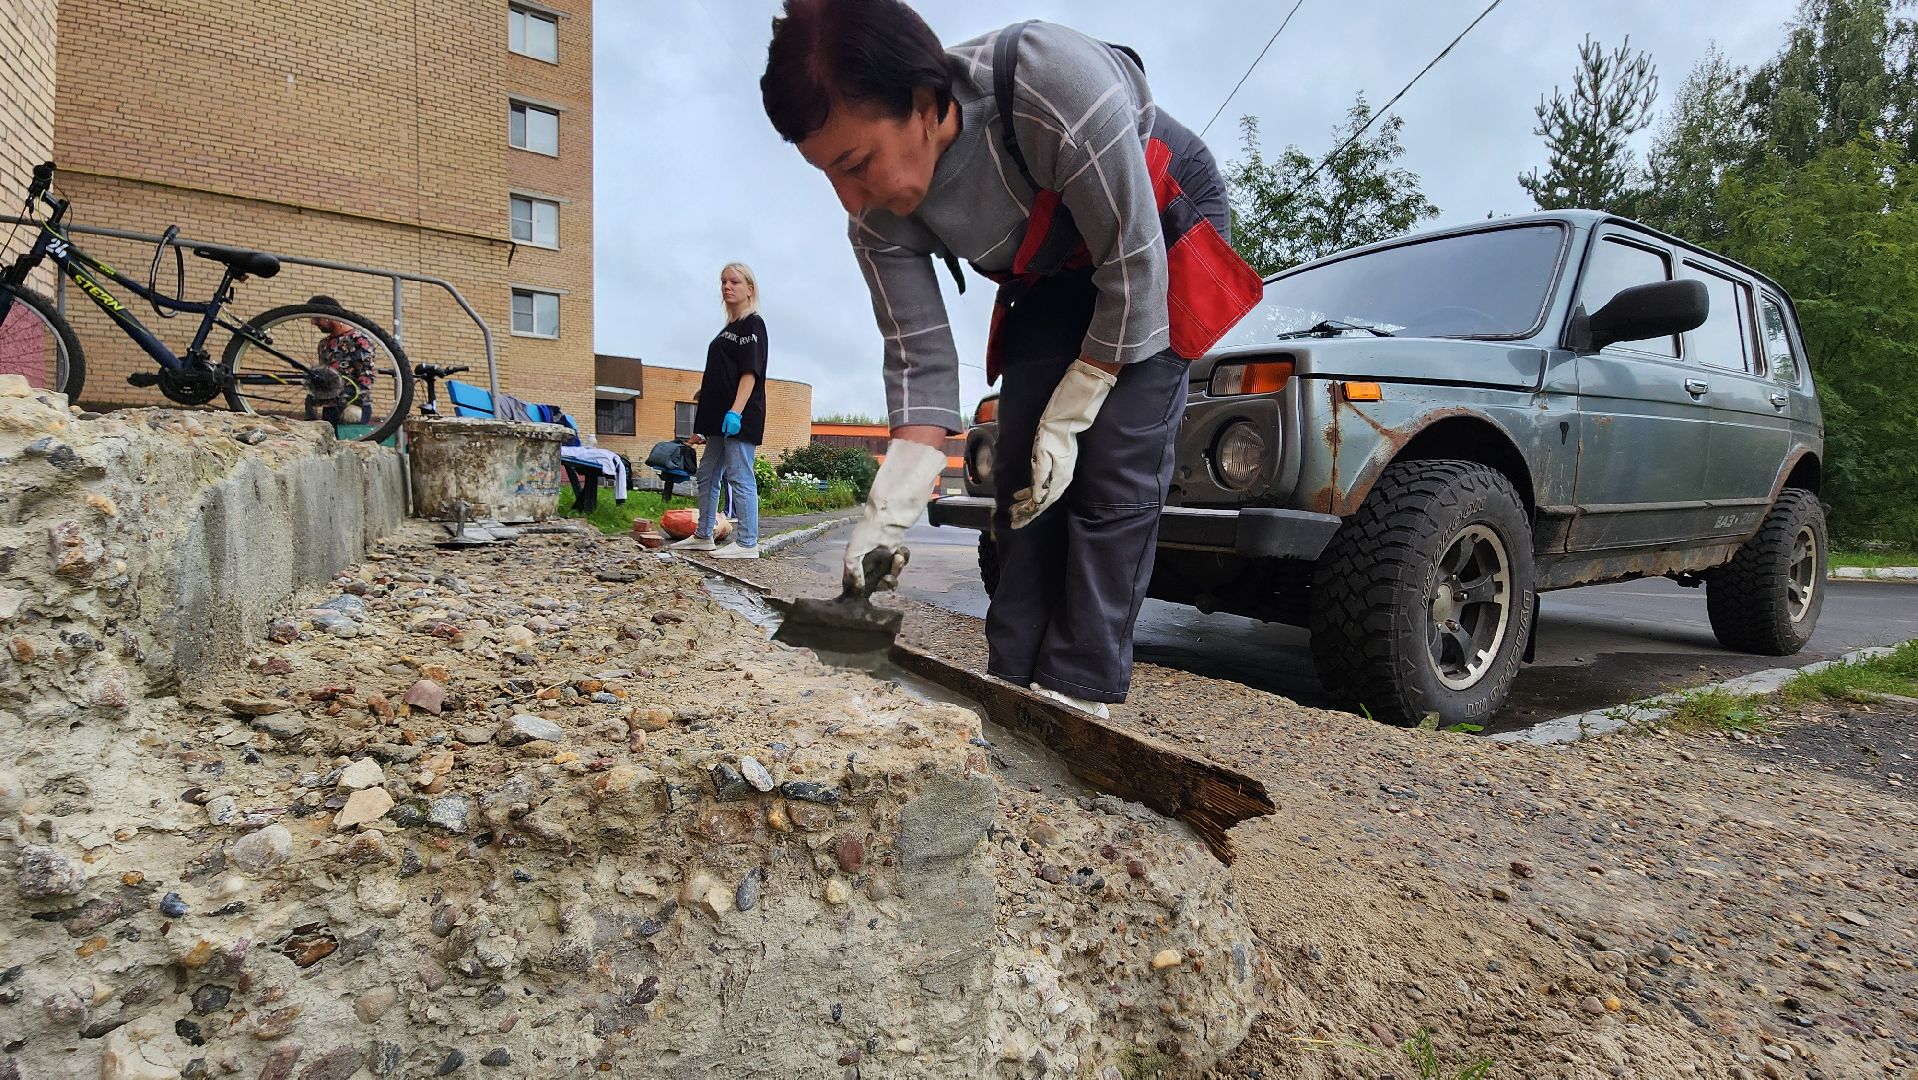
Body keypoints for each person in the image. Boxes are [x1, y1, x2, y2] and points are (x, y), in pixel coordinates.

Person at [761, 2, 1260, 718]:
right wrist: (887, 514)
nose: (850, 197)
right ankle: (1011, 682)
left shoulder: (1047, 84)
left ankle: (1077, 693)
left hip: (1153, 223)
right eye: (828, 174)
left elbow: (1133, 271)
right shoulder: (874, 219)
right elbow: (921, 361)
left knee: (1113, 459)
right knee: (1023, 463)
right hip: (1052, 268)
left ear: (926, 104)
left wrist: (1083, 398)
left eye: (856, 163)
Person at [672, 263, 770, 559]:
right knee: (707, 474)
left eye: (735, 282)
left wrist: (735, 412)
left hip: (739, 416)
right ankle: (704, 535)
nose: (727, 287)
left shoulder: (753, 324)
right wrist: (706, 419)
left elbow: (750, 372)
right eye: (723, 282)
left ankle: (748, 543)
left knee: (740, 475)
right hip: (717, 419)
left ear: (749, 288)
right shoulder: (729, 328)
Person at [305, 295, 376, 427]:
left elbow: (367, 374)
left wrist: (356, 404)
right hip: (329, 408)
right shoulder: (324, 344)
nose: (313, 322)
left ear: (329, 315)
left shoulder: (358, 340)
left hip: (353, 406)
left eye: (316, 318)